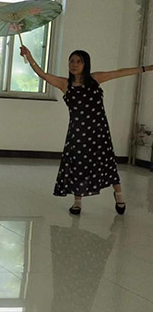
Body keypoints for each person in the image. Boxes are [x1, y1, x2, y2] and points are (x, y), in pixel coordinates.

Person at [21, 45, 152, 215]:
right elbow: (42, 74)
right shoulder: (65, 84)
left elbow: (120, 72)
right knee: (78, 165)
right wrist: (29, 56)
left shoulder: (95, 79)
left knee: (107, 162)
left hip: (99, 132)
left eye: (79, 61)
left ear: (85, 64)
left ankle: (119, 194)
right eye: (71, 61)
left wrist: (147, 68)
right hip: (77, 134)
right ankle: (77, 202)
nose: (74, 64)